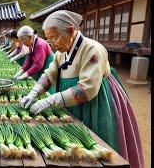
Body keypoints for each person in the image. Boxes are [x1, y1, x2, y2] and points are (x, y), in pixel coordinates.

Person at [20, 10, 144, 168]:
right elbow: (50, 74)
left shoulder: (92, 49)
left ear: (70, 31)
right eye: (49, 39)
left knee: (96, 144)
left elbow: (86, 90)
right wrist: (35, 92)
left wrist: (50, 100)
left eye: (54, 37)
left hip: (96, 102)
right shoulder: (61, 52)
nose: (52, 43)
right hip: (71, 101)